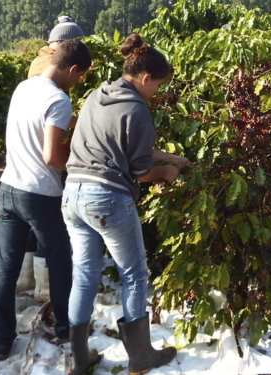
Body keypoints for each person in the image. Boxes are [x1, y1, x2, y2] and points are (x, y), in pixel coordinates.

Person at [62, 33, 193, 375]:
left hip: (73, 194)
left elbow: (113, 144)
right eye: (158, 86)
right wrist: (165, 171)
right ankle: (141, 357)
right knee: (134, 273)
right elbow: (139, 170)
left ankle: (79, 362)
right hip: (106, 198)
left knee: (85, 274)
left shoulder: (97, 95)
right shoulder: (137, 109)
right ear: (146, 78)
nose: (158, 93)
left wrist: (168, 155)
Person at [0, 39, 92, 360]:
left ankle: (1, 340)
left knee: (7, 268)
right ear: (72, 68)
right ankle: (65, 328)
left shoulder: (24, 87)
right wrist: (80, 166)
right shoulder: (58, 100)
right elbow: (50, 155)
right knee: (60, 262)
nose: (77, 83)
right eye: (80, 77)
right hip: (40, 195)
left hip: (8, 188)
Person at [16, 15, 85, 302]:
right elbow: (51, 150)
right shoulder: (54, 88)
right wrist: (81, 165)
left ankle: (25, 282)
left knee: (23, 242)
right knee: (53, 245)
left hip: (17, 176)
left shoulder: (28, 82)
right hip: (39, 178)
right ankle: (51, 303)